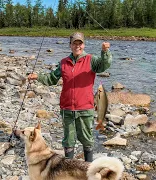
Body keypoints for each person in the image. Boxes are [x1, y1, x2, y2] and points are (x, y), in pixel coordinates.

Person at [28, 32, 112, 162]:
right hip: (67, 109)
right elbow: (51, 79)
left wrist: (105, 52)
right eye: (74, 43)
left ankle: (88, 168)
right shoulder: (63, 63)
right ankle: (68, 169)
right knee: (68, 141)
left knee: (87, 139)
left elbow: (104, 65)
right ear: (70, 45)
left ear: (83, 45)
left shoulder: (91, 60)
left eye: (80, 43)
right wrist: (38, 76)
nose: (77, 46)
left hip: (85, 108)